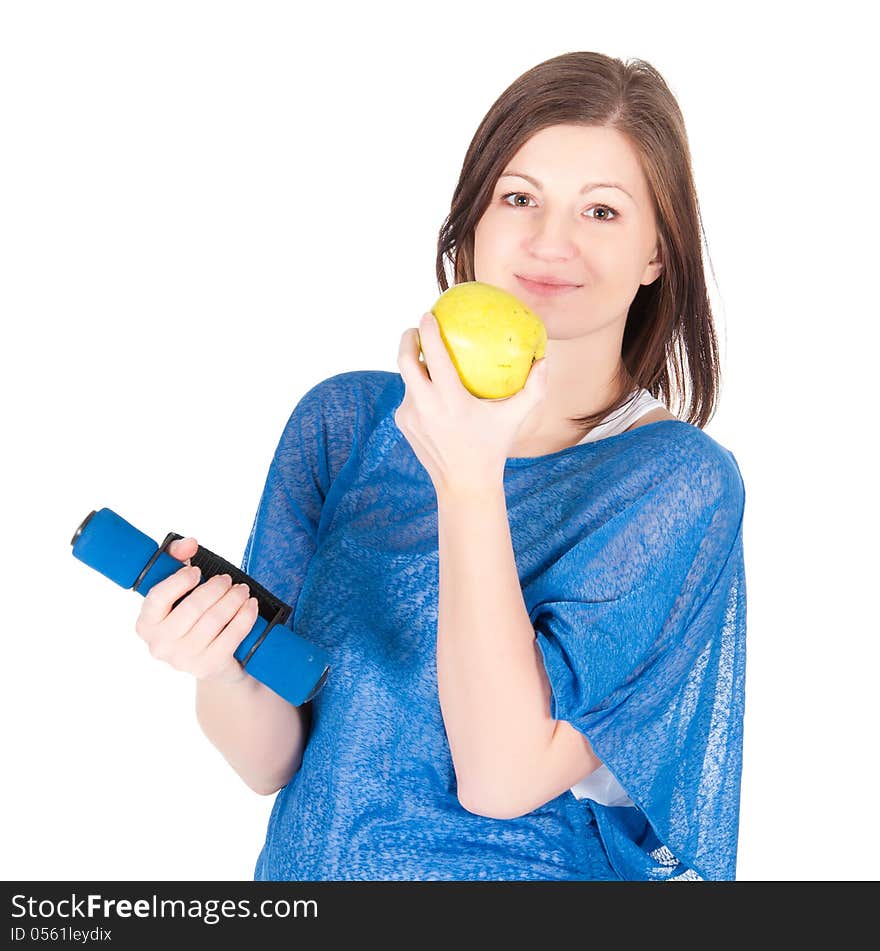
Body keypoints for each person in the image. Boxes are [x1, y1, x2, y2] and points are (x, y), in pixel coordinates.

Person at [134, 51, 747, 881]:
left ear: (656, 255)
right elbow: (273, 759)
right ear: (472, 220)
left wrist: (469, 480)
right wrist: (215, 666)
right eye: (519, 197)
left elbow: (504, 776)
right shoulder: (344, 422)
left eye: (601, 212)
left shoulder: (676, 483)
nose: (548, 242)